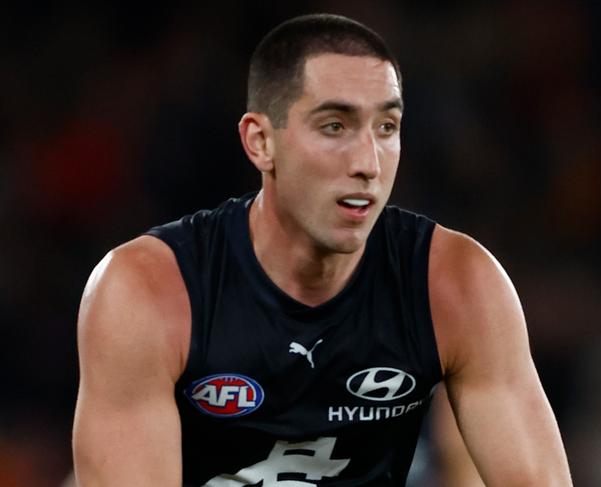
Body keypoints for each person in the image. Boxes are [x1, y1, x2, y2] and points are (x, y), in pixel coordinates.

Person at [72, 13, 572, 487]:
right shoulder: (149, 291)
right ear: (260, 142)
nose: (368, 162)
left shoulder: (457, 286)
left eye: (386, 128)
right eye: (335, 126)